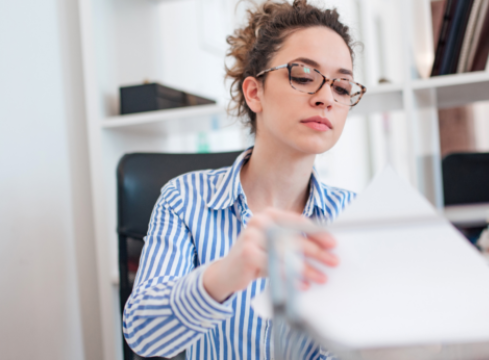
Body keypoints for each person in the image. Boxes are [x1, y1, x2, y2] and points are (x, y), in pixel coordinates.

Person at [122, 1, 366, 359]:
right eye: (303, 75)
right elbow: (143, 336)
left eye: (342, 87)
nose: (326, 97)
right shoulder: (184, 200)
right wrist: (222, 276)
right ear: (255, 93)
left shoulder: (355, 215)